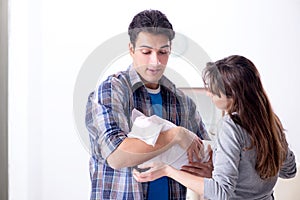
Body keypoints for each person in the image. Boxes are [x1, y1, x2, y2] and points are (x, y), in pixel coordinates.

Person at [85, 9, 211, 200]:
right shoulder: (111, 91)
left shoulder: (184, 102)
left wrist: (207, 169)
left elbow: (207, 158)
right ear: (131, 49)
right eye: (146, 52)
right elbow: (117, 157)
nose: (156, 61)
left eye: (163, 52)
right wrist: (176, 135)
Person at [133, 55, 297, 199]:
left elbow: (221, 193)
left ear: (232, 95)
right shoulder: (271, 122)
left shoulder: (231, 126)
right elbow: (289, 171)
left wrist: (167, 171)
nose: (209, 94)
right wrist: (219, 172)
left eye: (213, 90)